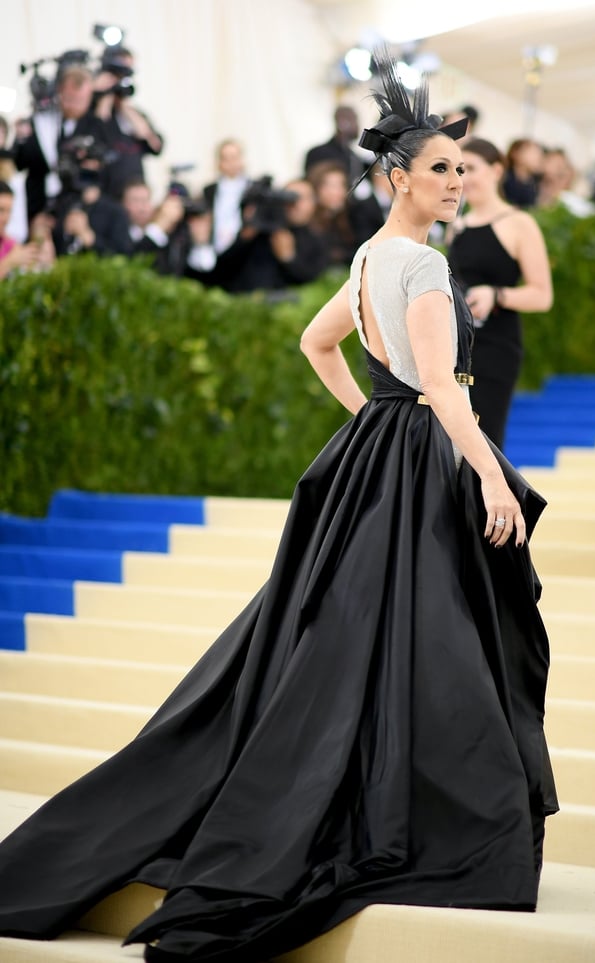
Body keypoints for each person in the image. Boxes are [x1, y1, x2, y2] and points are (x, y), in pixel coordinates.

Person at [0, 48, 557, 963]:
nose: (456, 182)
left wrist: (376, 417)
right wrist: (489, 475)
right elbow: (447, 394)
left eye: (462, 169)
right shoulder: (415, 265)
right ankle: (423, 812)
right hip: (419, 456)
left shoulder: (371, 254)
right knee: (429, 636)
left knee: (367, 635)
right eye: (440, 170)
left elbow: (319, 343)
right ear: (396, 178)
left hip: (378, 450)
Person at [447, 137, 553, 450]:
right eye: (458, 170)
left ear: (496, 170)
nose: (463, 178)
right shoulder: (457, 225)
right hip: (456, 347)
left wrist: (497, 295)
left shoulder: (519, 223)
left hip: (496, 347)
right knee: (453, 445)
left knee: (486, 440)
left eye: (471, 169)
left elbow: (542, 296)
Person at [13, 64, 109, 224]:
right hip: (39, 202)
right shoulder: (41, 121)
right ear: (59, 93)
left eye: (81, 100)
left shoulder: (96, 125)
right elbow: (20, 162)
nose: (74, 106)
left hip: (77, 204)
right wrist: (21, 139)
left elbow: (105, 162)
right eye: (70, 99)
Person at [92, 46, 164, 200]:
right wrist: (103, 95)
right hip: (106, 194)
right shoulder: (95, 112)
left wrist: (125, 106)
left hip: (134, 197)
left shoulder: (133, 114)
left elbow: (155, 145)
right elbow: (97, 128)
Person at [202, 138, 250, 255]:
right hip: (217, 248)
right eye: (225, 158)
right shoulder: (209, 190)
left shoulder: (252, 189)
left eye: (234, 157)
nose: (230, 163)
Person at [304, 104, 369, 186]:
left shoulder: (355, 158)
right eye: (353, 120)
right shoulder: (318, 153)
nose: (357, 126)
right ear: (342, 122)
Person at [502, 137, 544, 209]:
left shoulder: (535, 183)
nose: (537, 158)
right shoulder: (504, 177)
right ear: (515, 153)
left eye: (539, 154)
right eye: (532, 153)